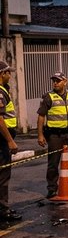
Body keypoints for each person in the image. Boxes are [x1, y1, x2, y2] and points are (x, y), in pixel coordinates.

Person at [37, 72, 68, 199]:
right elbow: (41, 116)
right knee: (53, 162)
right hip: (55, 136)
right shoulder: (48, 97)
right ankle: (52, 188)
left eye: (58, 81)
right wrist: (40, 135)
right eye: (54, 80)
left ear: (65, 81)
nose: (55, 83)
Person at [0, 61, 21, 222]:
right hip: (1, 141)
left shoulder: (3, 90)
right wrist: (9, 141)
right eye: (8, 72)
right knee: (3, 176)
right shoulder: (0, 92)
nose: (10, 75)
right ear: (2, 74)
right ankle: (3, 210)